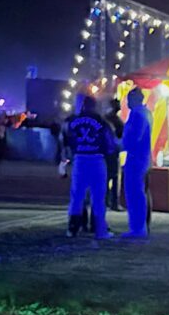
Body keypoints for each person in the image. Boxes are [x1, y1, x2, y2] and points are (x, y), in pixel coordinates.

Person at [64, 92, 116, 238]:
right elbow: (110, 144)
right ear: (94, 106)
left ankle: (72, 228)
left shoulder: (73, 121)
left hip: (79, 160)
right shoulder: (101, 121)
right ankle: (99, 229)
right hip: (96, 159)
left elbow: (67, 141)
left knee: (77, 195)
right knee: (98, 196)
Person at [121, 85, 154, 239]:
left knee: (134, 194)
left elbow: (134, 138)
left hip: (136, 159)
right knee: (141, 193)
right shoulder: (147, 113)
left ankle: (137, 228)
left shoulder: (137, 114)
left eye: (129, 99)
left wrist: (118, 144)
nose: (127, 103)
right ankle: (141, 226)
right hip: (144, 159)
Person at [104, 98, 126, 209]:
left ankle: (107, 201)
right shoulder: (114, 120)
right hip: (112, 152)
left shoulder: (106, 118)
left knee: (107, 177)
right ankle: (113, 202)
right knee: (114, 177)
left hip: (107, 152)